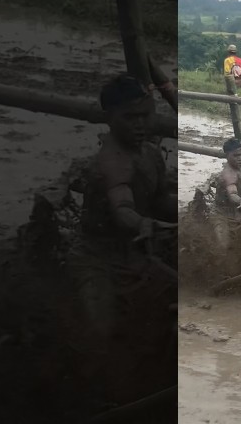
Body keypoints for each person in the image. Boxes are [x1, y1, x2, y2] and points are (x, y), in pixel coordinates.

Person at [69, 74, 177, 383]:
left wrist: (183, 210)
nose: (140, 125)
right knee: (101, 334)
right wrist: (145, 223)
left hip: (136, 253)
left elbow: (158, 199)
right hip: (96, 258)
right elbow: (122, 209)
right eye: (130, 118)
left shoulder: (150, 155)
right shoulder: (111, 161)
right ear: (109, 118)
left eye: (144, 116)